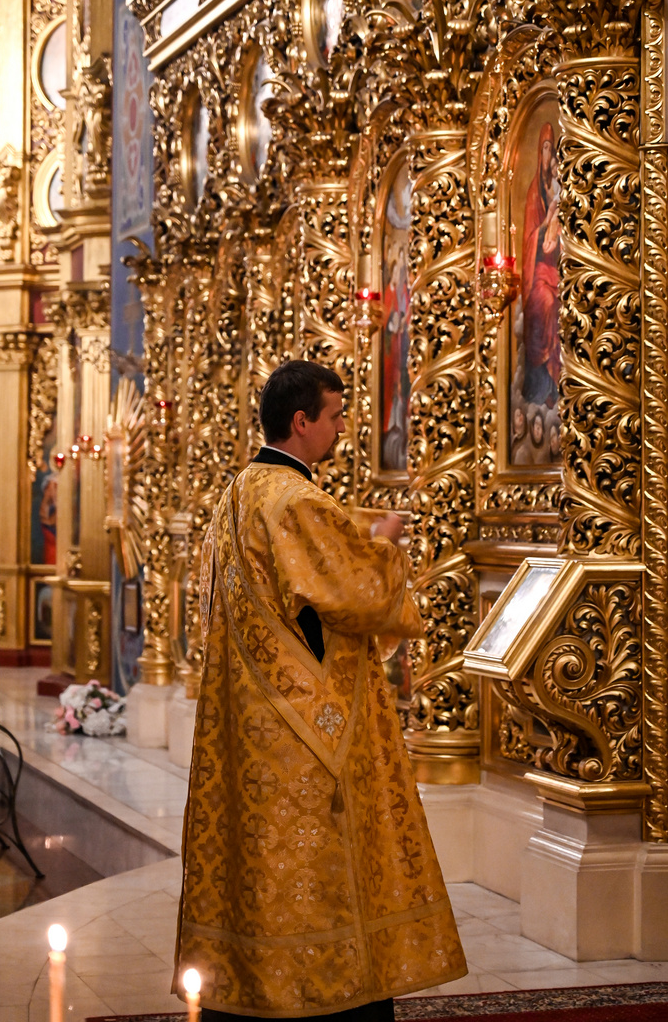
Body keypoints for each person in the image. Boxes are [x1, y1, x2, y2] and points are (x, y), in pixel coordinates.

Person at [174, 359, 466, 1021]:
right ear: (301, 421)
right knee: (318, 874)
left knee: (263, 872)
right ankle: (321, 993)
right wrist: (384, 545)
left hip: (250, 726)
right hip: (306, 735)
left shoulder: (237, 492)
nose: (340, 428)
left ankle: (254, 984)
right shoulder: (297, 499)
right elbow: (356, 597)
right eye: (334, 416)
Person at [521, 121, 561, 408]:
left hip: (556, 267)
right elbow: (529, 239)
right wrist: (546, 223)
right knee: (544, 300)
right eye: (544, 149)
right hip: (537, 271)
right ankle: (542, 381)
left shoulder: (559, 187)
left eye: (552, 149)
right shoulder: (535, 192)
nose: (549, 157)